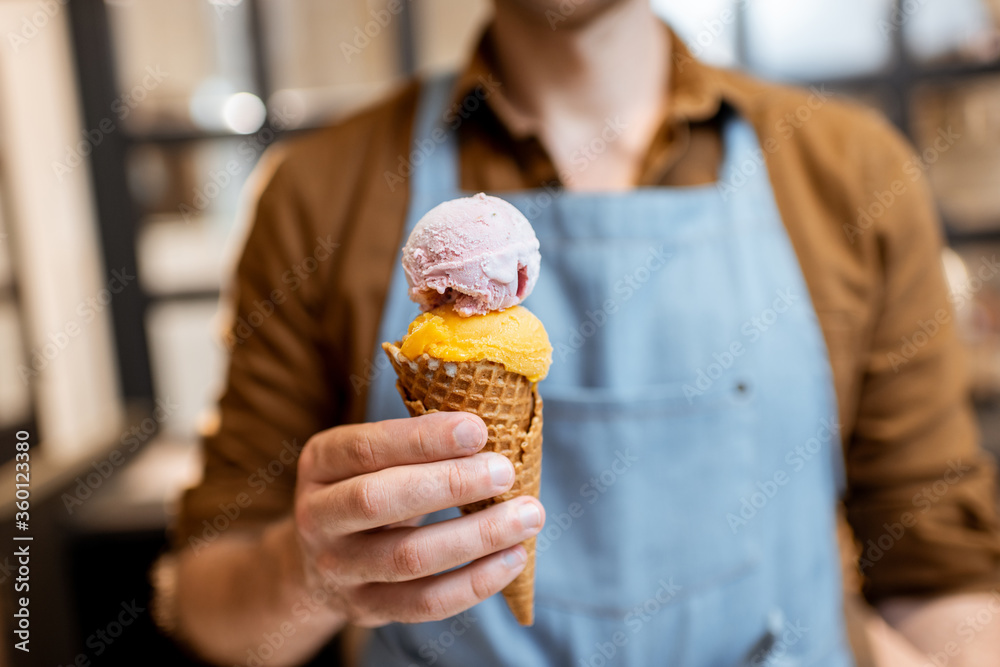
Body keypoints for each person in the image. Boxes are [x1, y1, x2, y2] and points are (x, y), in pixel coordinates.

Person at [152, 1, 1000, 665]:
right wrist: (307, 577)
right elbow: (208, 604)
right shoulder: (319, 191)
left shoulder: (853, 173)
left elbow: (938, 571)